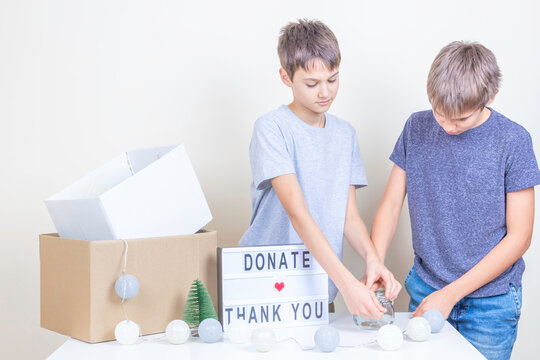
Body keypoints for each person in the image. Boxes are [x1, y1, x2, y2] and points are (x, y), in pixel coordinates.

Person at [370, 41, 540, 359]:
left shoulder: (514, 141)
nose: (447, 125)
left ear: (489, 97)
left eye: (460, 119)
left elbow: (520, 237)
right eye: (439, 113)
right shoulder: (415, 128)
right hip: (425, 288)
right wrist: (375, 260)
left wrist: (450, 295)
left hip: (491, 303)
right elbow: (391, 206)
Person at [239, 19, 401, 318]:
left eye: (333, 79)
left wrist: (372, 259)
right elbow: (298, 215)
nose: (324, 92)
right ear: (286, 77)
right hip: (265, 280)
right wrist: (349, 284)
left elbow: (349, 217)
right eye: (312, 84)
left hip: (317, 285)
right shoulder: (271, 128)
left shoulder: (345, 134)